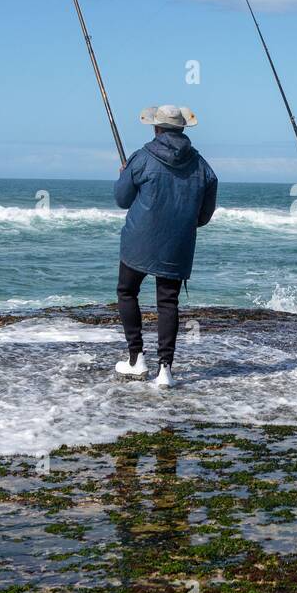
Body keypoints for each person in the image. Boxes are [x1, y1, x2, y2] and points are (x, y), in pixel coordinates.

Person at [113, 104, 218, 387]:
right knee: (167, 302)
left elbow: (122, 199)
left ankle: (136, 358)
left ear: (156, 128)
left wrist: (125, 174)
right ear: (182, 128)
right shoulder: (202, 166)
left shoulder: (142, 157)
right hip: (177, 245)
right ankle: (165, 370)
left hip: (138, 240)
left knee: (126, 291)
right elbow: (204, 216)